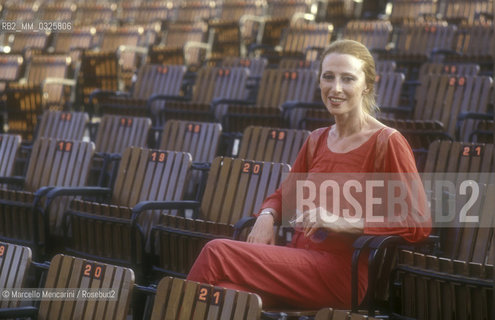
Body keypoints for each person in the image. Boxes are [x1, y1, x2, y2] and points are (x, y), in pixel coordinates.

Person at [187, 39, 431, 309]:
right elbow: (284, 196)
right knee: (226, 296)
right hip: (298, 262)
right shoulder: (317, 139)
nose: (335, 88)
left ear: (368, 85)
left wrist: (345, 222)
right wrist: (268, 215)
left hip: (341, 274)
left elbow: (418, 222)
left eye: (348, 79)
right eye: (328, 77)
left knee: (217, 252)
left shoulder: (388, 141)